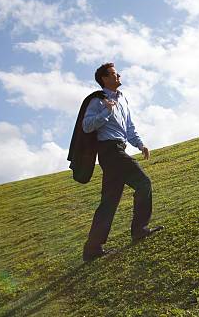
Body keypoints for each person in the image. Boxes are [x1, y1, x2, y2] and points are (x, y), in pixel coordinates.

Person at [81, 62, 163, 262]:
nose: (119, 76)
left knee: (109, 202)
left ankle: (92, 249)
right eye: (114, 74)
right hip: (109, 151)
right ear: (104, 79)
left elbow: (129, 126)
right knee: (143, 183)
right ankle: (139, 230)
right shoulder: (98, 100)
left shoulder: (123, 99)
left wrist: (140, 144)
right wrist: (105, 112)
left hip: (119, 149)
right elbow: (86, 126)